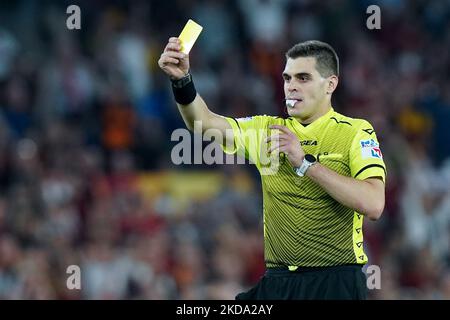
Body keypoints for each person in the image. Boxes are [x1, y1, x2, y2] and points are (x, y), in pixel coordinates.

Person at [158, 37, 386, 300]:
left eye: (303, 78)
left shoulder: (356, 132)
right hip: (279, 282)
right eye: (288, 79)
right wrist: (181, 80)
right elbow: (203, 122)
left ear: (330, 84)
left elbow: (373, 204)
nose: (291, 87)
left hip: (334, 281)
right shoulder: (266, 130)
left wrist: (305, 164)